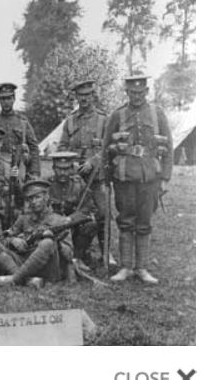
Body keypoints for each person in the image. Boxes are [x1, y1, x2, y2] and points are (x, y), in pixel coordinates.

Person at [103, 75, 172, 284]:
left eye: (140, 92)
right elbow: (107, 147)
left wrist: (165, 177)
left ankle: (142, 268)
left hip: (150, 176)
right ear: (127, 92)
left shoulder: (157, 113)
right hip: (124, 176)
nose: (137, 96)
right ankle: (125, 267)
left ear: (147, 91)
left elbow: (168, 146)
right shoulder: (117, 115)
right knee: (126, 220)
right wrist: (106, 179)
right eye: (132, 93)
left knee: (144, 221)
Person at [58, 79, 111, 264]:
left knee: (102, 214)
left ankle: (106, 253)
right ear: (76, 97)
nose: (84, 98)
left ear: (92, 95)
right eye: (81, 95)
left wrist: (93, 161)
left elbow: (108, 147)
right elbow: (62, 145)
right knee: (75, 212)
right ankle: (78, 251)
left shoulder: (103, 119)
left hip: (96, 177)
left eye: (88, 95)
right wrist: (71, 163)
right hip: (75, 176)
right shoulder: (70, 121)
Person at [0, 180, 74, 287]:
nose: (33, 202)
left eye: (37, 197)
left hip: (48, 268)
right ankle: (26, 280)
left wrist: (56, 242)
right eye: (30, 198)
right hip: (24, 262)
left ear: (46, 197)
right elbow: (4, 238)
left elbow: (69, 255)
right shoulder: (24, 219)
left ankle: (14, 279)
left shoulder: (60, 221)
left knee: (47, 243)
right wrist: (13, 240)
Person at [46, 151, 98, 272]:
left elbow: (88, 207)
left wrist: (71, 219)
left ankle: (78, 257)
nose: (63, 172)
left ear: (71, 169)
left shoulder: (79, 184)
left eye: (66, 169)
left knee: (90, 225)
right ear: (53, 168)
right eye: (59, 169)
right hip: (53, 227)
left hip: (74, 227)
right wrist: (57, 221)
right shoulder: (47, 185)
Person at [0, 83, 40, 179]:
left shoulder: (22, 121)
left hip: (20, 166)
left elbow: (34, 147)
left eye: (9, 98)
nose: (6, 102)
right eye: (3, 99)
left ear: (14, 99)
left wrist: (34, 172)